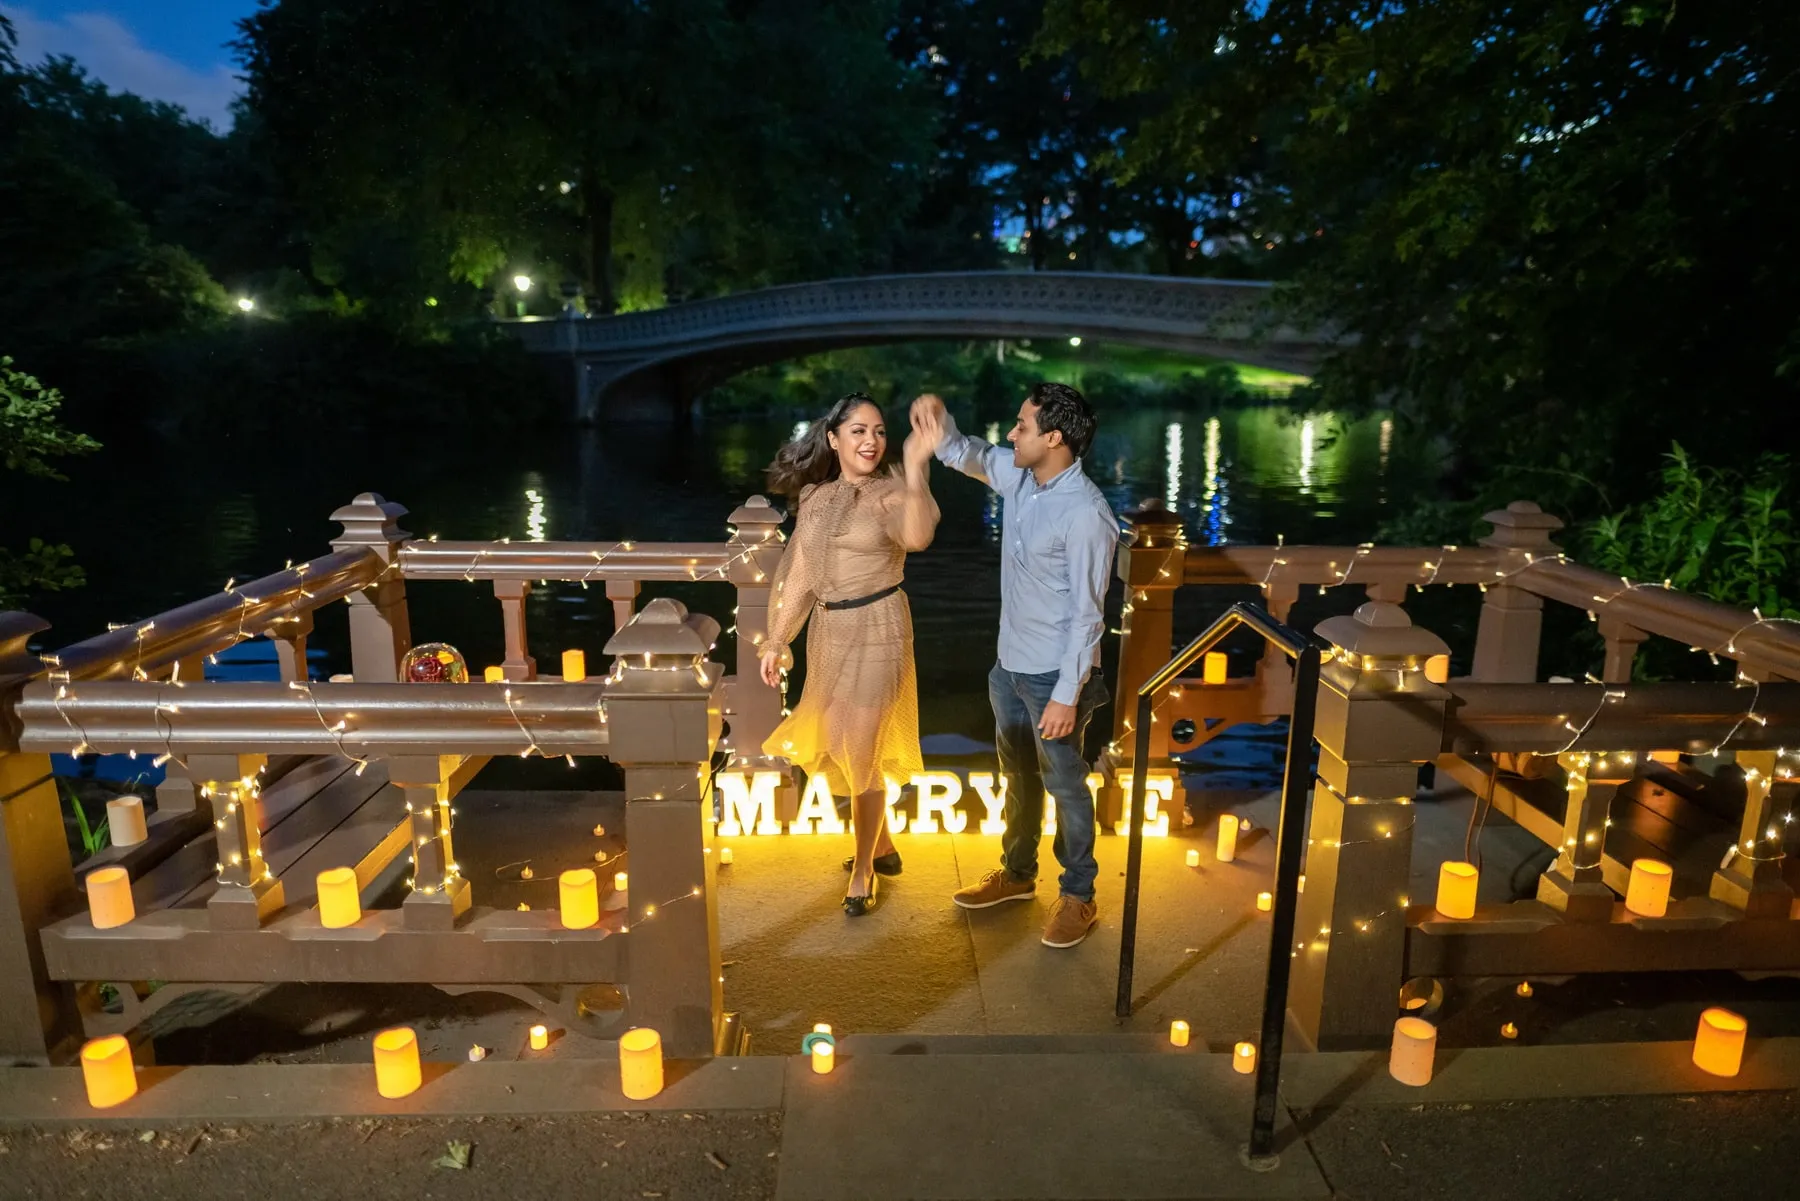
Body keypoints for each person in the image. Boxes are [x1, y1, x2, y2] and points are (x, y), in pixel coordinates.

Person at [911, 383, 1117, 949]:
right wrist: (938, 418)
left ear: (1054, 437)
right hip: (1009, 667)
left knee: (1066, 786)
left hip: (1057, 676)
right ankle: (1019, 876)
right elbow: (966, 453)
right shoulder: (1022, 479)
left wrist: (1068, 694)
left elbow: (1087, 616)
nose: (1011, 433)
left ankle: (1079, 896)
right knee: (1016, 776)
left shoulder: (1087, 516)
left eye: (1022, 426)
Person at [759, 392, 942, 916]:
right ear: (834, 438)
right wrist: (777, 640)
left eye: (879, 432)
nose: (870, 441)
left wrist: (914, 465)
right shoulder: (816, 496)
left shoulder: (890, 494)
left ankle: (862, 871)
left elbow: (918, 535)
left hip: (878, 627)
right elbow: (799, 576)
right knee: (837, 743)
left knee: (863, 752)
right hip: (828, 632)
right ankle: (882, 848)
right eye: (859, 431)